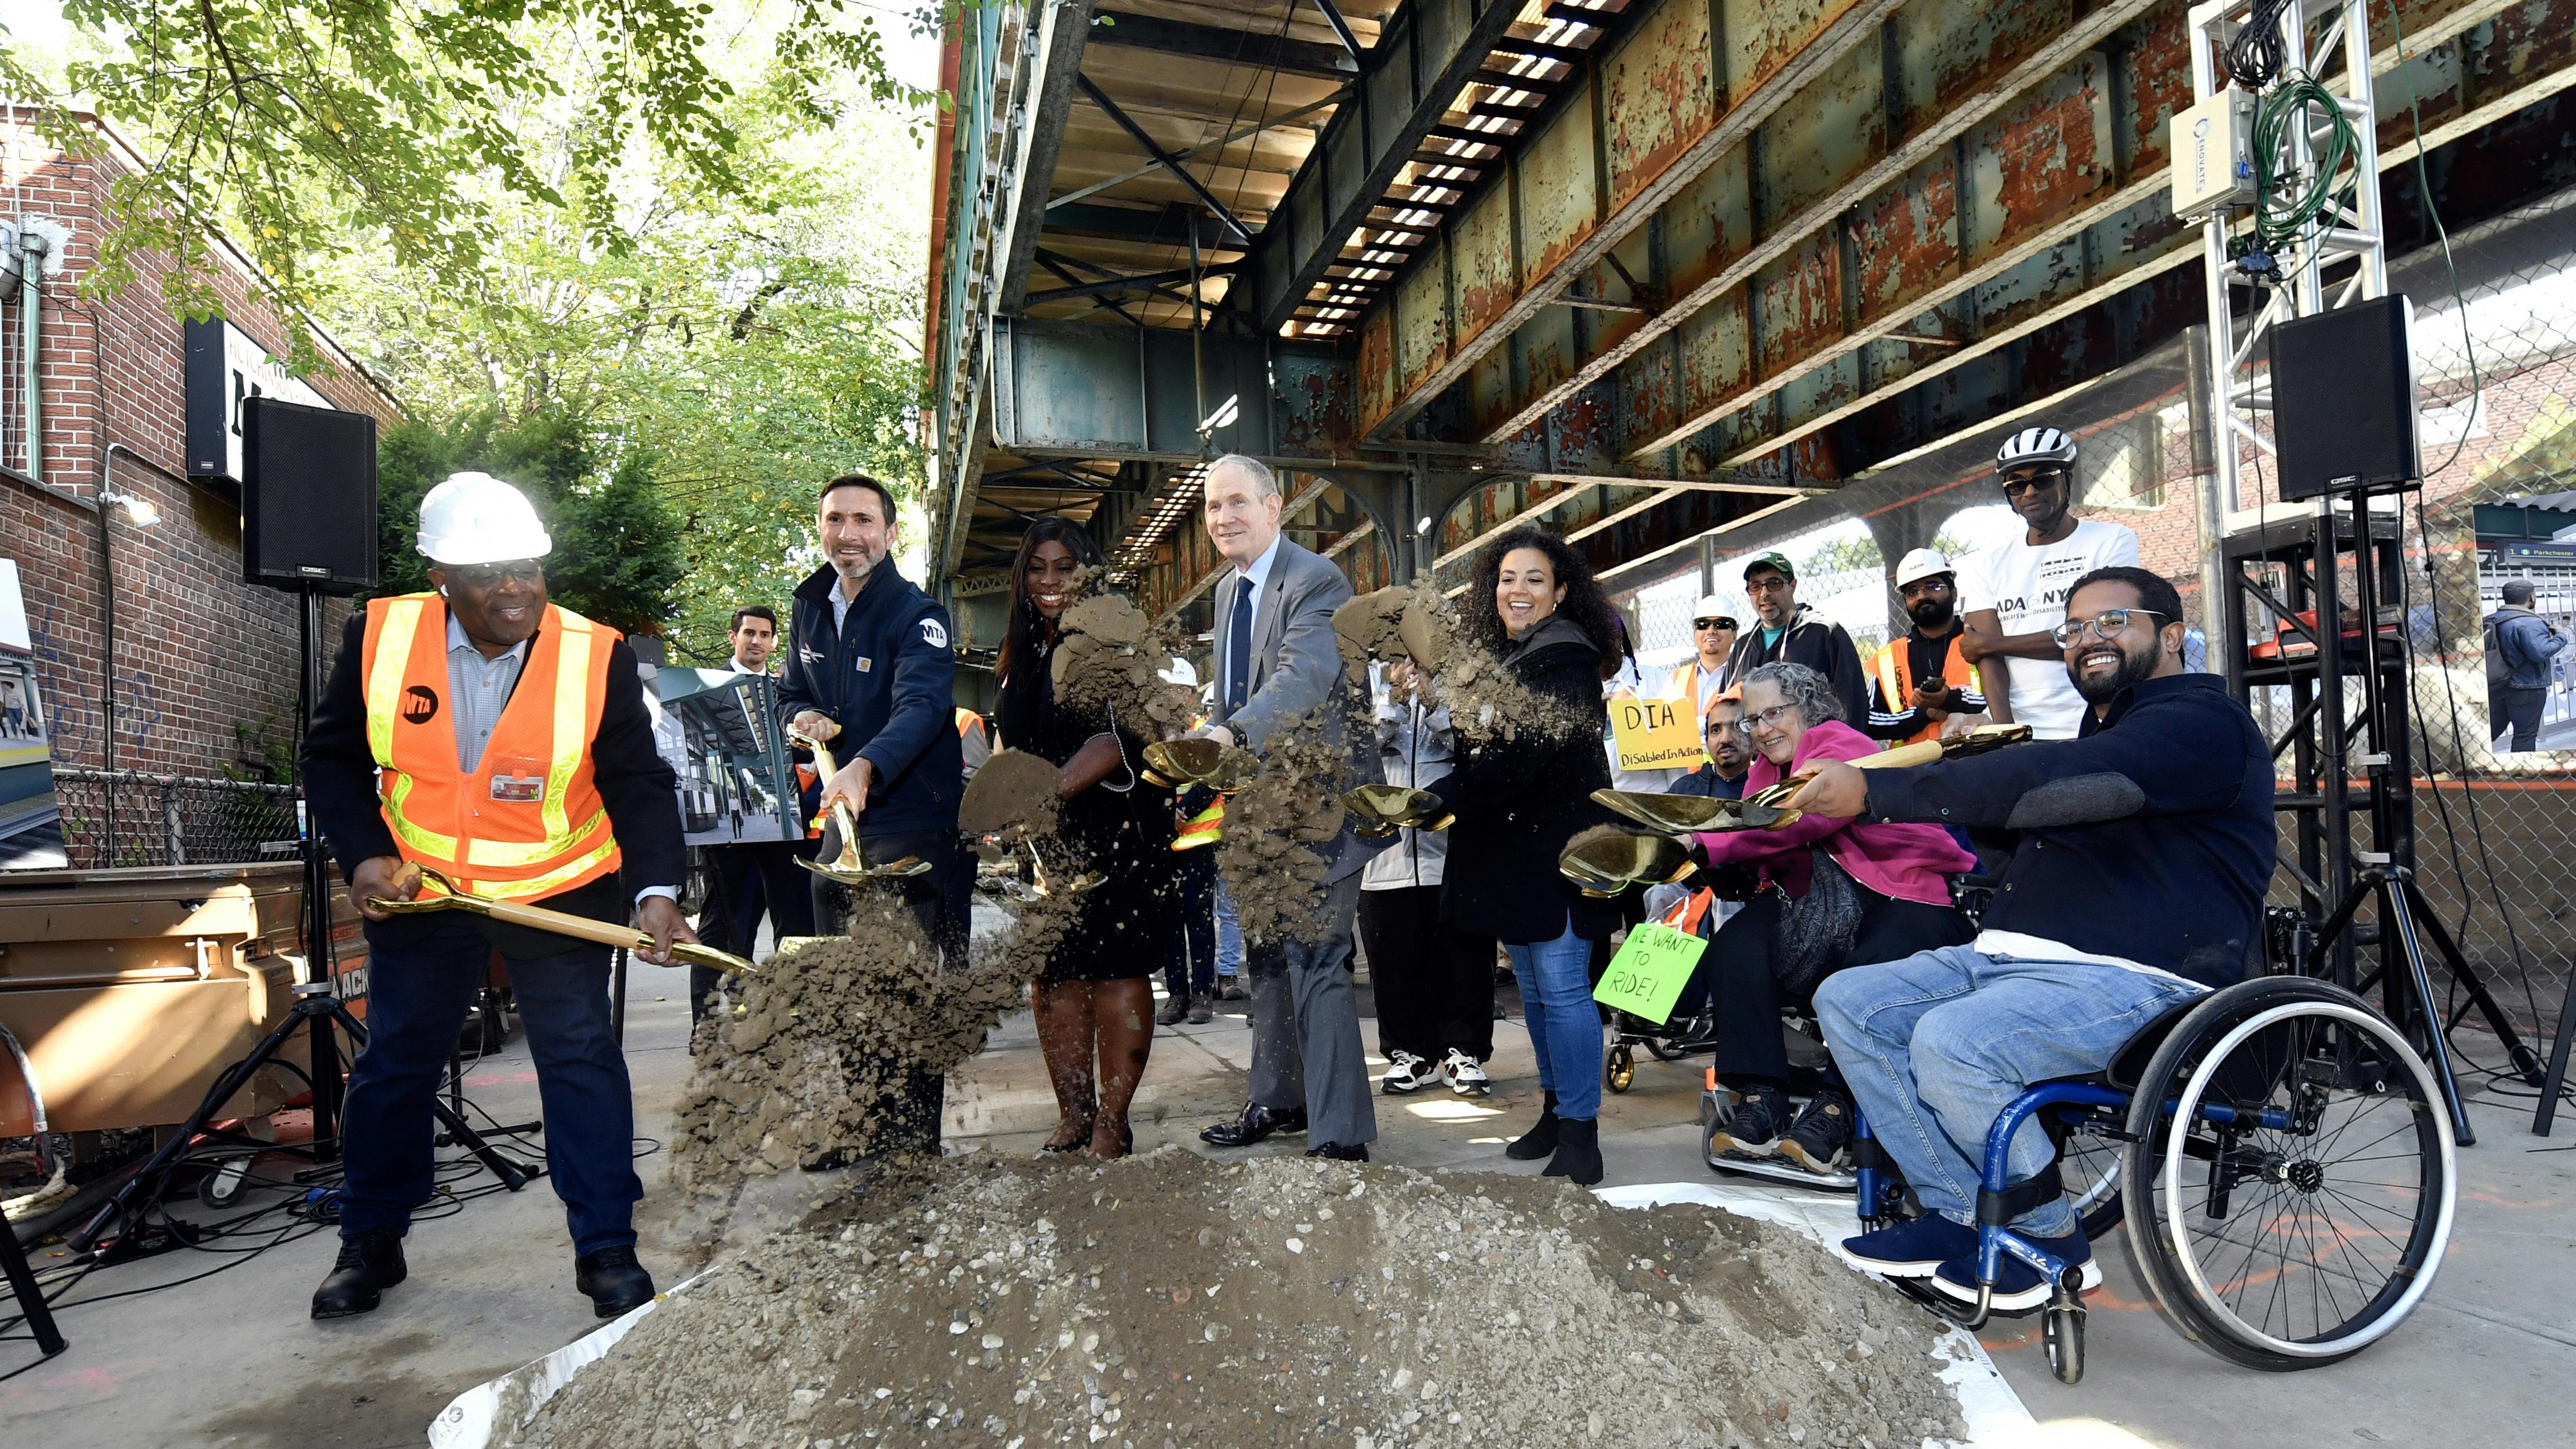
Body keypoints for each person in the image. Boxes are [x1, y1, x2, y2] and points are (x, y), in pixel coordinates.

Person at [1793, 566, 2272, 1309]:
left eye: (2113, 621)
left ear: (2172, 635)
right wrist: (1965, 766)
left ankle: (2043, 1238)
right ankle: (1959, 1212)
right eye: (2073, 629)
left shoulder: (2203, 722)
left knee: (1955, 1042)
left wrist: (1877, 790)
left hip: (2141, 974)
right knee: (1851, 1000)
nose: (2088, 640)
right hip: (2014, 957)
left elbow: (2072, 778)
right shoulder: (2105, 731)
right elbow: (2033, 811)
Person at [300, 471, 692, 1321]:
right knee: (395, 1062)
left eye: (527, 566)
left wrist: (657, 888)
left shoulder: (596, 652)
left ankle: (605, 1248)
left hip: (558, 889)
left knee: (580, 1058)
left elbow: (637, 780)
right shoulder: (379, 634)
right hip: (425, 890)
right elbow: (330, 759)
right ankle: (370, 1237)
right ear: (441, 576)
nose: (513, 587)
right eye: (488, 573)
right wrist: (365, 856)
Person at [1683, 662, 1976, 1174]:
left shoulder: (1836, 743)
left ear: (1808, 708)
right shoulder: (1762, 771)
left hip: (1907, 895)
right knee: (1735, 947)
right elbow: (1760, 841)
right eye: (1753, 719)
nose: (1763, 728)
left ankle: (1838, 1106)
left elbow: (1794, 822)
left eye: (1774, 712)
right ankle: (1761, 1095)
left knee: (1875, 968)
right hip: (1817, 904)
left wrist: (1701, 844)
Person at [1193, 454, 1386, 1162]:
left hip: (1322, 814)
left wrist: (1229, 732)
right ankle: (1278, 1100)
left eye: (1237, 503)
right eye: (1213, 507)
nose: (1223, 519)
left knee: (1320, 958)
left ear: (1276, 507)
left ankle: (1340, 1133)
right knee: (1269, 962)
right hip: (1259, 814)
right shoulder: (1228, 592)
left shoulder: (1316, 581)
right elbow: (1234, 691)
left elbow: (1300, 680)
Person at [1426, 527, 1623, 1185]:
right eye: (1509, 579)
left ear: (1561, 591)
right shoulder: (1510, 659)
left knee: (1565, 990)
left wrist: (1434, 799)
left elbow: (1516, 762)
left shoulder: (1565, 659)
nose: (1519, 591)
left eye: (1535, 580)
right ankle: (1554, 1109)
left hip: (1563, 854)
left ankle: (1583, 1135)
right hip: (1521, 855)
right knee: (1536, 991)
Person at [779, 472, 968, 1155]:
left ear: (890, 534)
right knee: (846, 984)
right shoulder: (807, 607)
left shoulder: (917, 615)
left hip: (910, 817)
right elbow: (789, 691)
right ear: (821, 528)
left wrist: (866, 764)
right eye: (835, 519)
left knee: (906, 988)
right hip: (843, 825)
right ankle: (862, 1125)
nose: (848, 534)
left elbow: (922, 708)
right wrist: (799, 714)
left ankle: (913, 1147)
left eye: (864, 520)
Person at [994, 518, 1172, 1159]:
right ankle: (1074, 1114)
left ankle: (1112, 1122)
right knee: (1055, 973)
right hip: (1050, 840)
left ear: (1088, 571)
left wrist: (1046, 793)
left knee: (1118, 969)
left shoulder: (1109, 637)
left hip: (1120, 830)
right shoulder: (1023, 656)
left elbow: (1114, 737)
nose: (1049, 580)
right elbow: (1015, 750)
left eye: (1065, 567)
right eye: (1037, 567)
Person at [1360, 659, 1496, 1097]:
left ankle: (1463, 1050)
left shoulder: (1465, 671)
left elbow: (1474, 743)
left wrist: (1436, 698)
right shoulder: (1366, 676)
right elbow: (1365, 746)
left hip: (1449, 849)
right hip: (1387, 856)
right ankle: (1409, 1053)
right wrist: (1393, 699)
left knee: (1463, 954)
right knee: (1394, 959)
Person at [1956, 427, 2140, 739]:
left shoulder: (2111, 540)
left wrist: (1992, 643)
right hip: (2024, 729)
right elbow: (1986, 658)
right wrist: (2006, 732)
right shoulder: (1988, 563)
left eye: (2042, 479)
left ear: (2067, 479)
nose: (2029, 493)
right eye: (2016, 485)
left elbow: (2101, 633)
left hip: (2100, 721)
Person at [691, 605, 818, 1020]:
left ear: (774, 642)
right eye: (749, 633)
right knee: (725, 924)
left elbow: (810, 755)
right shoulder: (705, 689)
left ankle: (793, 1010)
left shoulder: (788, 693)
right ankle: (707, 1022)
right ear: (733, 637)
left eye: (765, 635)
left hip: (785, 824)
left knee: (795, 919)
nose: (757, 641)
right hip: (728, 830)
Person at [1724, 552, 1868, 726]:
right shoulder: (1743, 646)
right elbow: (1728, 708)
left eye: (1774, 584)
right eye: (1755, 587)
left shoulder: (1824, 634)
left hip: (1815, 750)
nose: (1764, 593)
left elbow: (1852, 707)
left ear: (1793, 586)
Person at [1865, 549, 1987, 745]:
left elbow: (2000, 700)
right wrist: (1925, 714)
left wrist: (1950, 699)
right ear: (1905, 601)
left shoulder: (1979, 641)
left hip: (1976, 757)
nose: (1922, 596)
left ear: (1954, 593)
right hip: (1911, 768)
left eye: (1933, 587)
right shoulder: (1888, 658)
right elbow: (1867, 721)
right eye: (1912, 592)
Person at [2486, 579, 2565, 752]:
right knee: (2525, 735)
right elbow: (2540, 653)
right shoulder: (2531, 622)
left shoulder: (2490, 620)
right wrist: (2560, 636)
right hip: (2528, 687)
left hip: (2497, 684)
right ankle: (2522, 774)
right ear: (2532, 598)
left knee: (2489, 732)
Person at [1669, 692, 1751, 800]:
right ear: (1707, 742)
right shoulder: (1682, 791)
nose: (1725, 739)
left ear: (1753, 736)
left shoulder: (1767, 789)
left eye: (1736, 728)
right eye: (1716, 730)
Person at [1667, 597, 1740, 713]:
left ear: (1735, 635)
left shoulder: (1744, 676)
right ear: (1695, 634)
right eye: (1703, 625)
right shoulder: (1676, 679)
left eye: (1720, 625)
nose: (1711, 631)